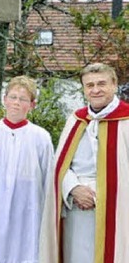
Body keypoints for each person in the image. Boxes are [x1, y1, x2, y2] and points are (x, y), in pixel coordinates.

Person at [40, 63, 129, 263]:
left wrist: (101, 192)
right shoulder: (76, 120)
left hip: (118, 211)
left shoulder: (126, 120)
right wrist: (73, 188)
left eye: (101, 84)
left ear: (114, 85)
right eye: (89, 85)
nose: (95, 90)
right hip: (78, 209)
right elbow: (61, 165)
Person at [0, 75, 54, 263]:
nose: (17, 103)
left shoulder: (40, 137)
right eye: (13, 97)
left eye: (23, 99)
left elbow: (48, 179)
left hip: (28, 209)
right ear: (4, 99)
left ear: (32, 105)